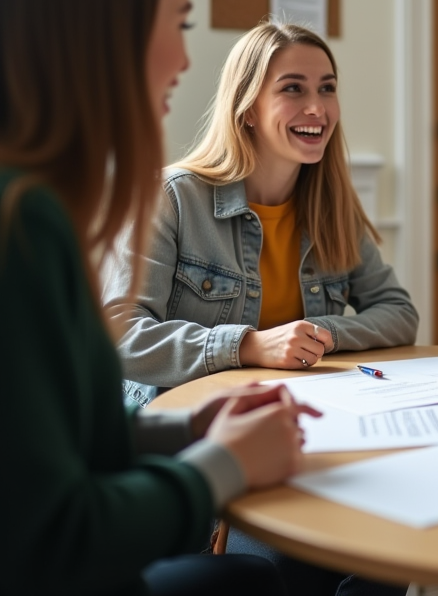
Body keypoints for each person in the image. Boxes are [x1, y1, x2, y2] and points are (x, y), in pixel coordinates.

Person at [0, 0, 318, 596]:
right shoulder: (3, 222)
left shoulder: (9, 198)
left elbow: (39, 442)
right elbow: (54, 540)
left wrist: (189, 430)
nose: (185, 60)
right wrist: (225, 466)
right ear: (98, 30)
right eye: (177, 23)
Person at [105, 21, 418, 409]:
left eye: (327, 88)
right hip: (175, 417)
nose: (317, 108)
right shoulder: (171, 197)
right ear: (248, 107)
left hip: (291, 409)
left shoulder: (331, 206)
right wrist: (248, 345)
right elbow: (119, 336)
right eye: (293, 88)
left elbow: (400, 313)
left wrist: (320, 334)